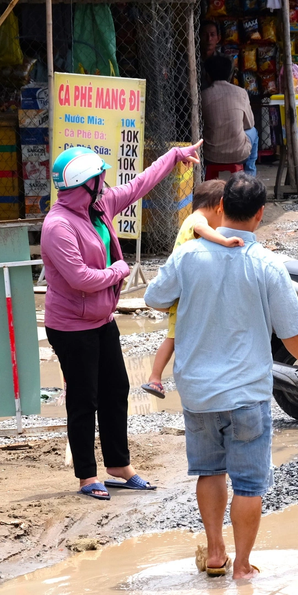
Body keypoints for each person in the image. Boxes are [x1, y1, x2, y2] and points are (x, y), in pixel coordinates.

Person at [144, 173, 298, 580]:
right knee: (248, 483)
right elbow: (292, 330)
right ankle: (242, 566)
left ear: (221, 208)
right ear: (260, 215)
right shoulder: (266, 264)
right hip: (247, 392)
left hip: (198, 391)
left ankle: (214, 553)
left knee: (209, 471)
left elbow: (154, 298)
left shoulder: (189, 255)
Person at [43, 141, 202, 500]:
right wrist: (119, 271)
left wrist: (174, 155)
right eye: (100, 177)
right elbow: (80, 278)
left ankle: (118, 466)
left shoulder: (97, 207)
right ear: (86, 183)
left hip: (101, 320)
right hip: (71, 327)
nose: (105, 181)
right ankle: (86, 475)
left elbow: (139, 185)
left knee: (115, 391)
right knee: (84, 400)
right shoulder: (58, 226)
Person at [140, 179, 246, 399]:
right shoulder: (197, 220)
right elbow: (202, 229)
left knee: (177, 337)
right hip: (181, 293)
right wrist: (225, 241)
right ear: (220, 207)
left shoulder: (190, 218)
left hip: (179, 288)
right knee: (173, 338)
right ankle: (155, 378)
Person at [202, 55, 259, 178]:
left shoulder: (203, 95)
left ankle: (204, 177)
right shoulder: (241, 92)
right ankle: (249, 178)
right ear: (231, 74)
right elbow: (249, 124)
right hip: (238, 153)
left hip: (210, 154)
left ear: (207, 75)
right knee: (253, 131)